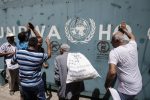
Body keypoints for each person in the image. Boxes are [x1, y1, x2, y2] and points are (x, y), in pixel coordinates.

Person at [104, 21, 142, 100]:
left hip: (127, 90)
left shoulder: (114, 52)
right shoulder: (132, 45)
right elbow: (132, 37)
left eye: (112, 40)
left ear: (118, 41)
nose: (111, 42)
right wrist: (124, 30)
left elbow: (112, 72)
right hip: (138, 85)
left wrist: (107, 84)